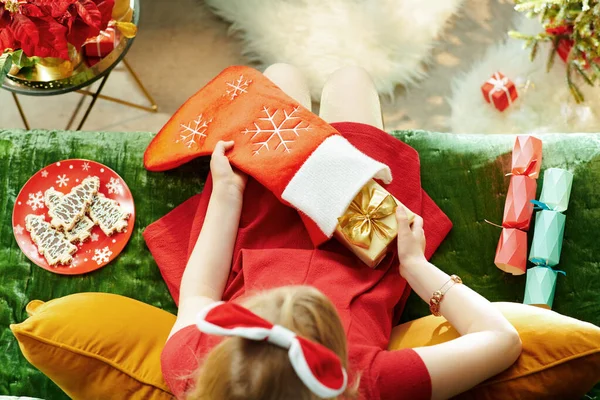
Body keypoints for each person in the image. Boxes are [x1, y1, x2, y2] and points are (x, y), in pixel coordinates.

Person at [160, 64, 523, 400]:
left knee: (278, 79)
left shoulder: (191, 365)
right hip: (363, 241)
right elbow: (501, 339)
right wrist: (414, 266)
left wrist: (227, 193)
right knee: (350, 80)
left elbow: (200, 296)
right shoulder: (368, 384)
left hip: (256, 236)